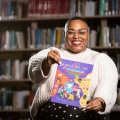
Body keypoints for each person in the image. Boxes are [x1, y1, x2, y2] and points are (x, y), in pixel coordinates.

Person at [28, 16, 118, 120]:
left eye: (82, 32)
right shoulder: (52, 53)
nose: (76, 36)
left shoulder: (101, 59)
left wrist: (101, 100)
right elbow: (34, 74)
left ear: (88, 35)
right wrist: (46, 63)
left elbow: (109, 82)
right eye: (71, 32)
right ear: (64, 34)